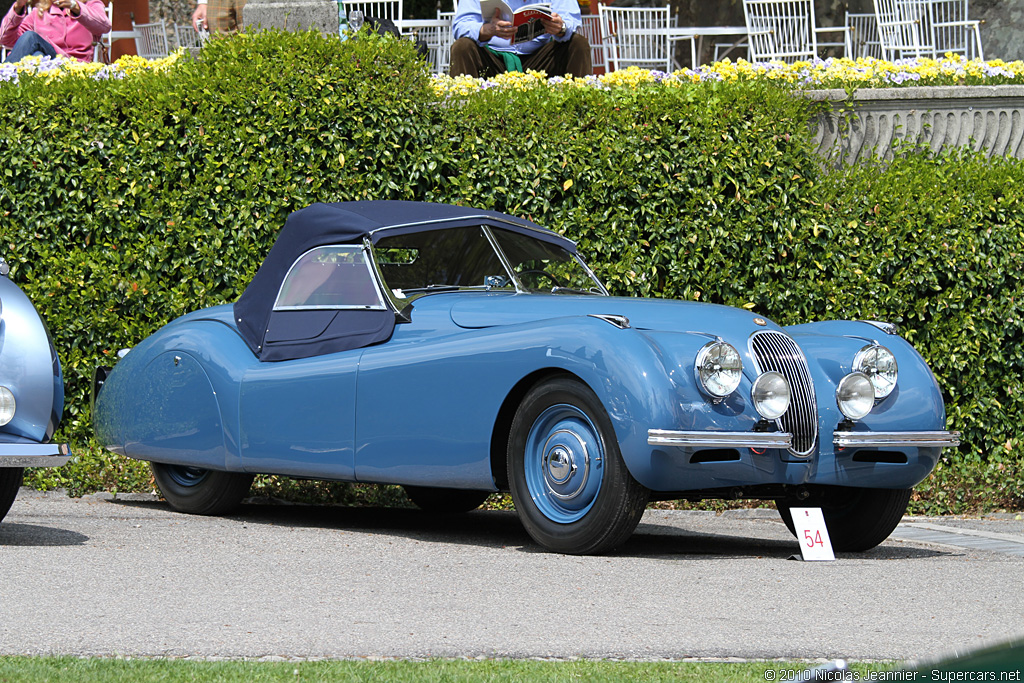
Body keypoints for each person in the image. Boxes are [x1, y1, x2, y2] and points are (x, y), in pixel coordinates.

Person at [450, 0, 591, 79]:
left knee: (578, 43)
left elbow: (571, 21)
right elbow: (461, 26)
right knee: (462, 46)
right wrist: (488, 30)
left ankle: (579, 119)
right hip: (491, 60)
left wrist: (561, 28)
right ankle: (464, 121)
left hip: (541, 60)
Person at [1, 0, 111, 63]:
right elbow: (5, 40)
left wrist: (75, 7)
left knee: (31, 38)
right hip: (46, 67)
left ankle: (3, 80)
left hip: (73, 67)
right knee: (37, 55)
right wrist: (18, 7)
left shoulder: (90, 4)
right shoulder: (39, 12)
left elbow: (104, 27)